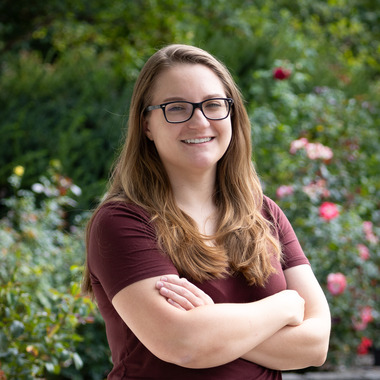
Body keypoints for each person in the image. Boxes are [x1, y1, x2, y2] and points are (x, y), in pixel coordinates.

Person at [82, 44, 331, 379]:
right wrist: (284, 307)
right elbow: (182, 343)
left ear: (232, 113)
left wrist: (211, 323)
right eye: (177, 108)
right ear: (146, 125)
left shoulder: (265, 214)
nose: (199, 121)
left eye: (213, 105)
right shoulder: (122, 222)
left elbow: (315, 345)